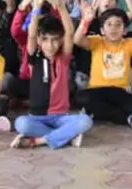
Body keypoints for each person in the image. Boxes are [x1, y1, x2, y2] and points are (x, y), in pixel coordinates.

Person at [12, 10, 93, 150]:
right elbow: (31, 34)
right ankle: (66, 137)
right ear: (39, 41)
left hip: (61, 117)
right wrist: (36, 8)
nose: (50, 45)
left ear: (61, 40)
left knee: (85, 121)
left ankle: (37, 141)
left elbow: (69, 32)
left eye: (55, 39)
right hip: (37, 117)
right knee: (21, 124)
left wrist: (61, 5)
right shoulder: (34, 58)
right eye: (45, 39)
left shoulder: (63, 59)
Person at [75, 5, 132, 131]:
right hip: (98, 91)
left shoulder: (129, 44)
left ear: (125, 30)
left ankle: (97, 113)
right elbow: (77, 40)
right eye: (109, 24)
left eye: (118, 24)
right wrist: (85, 21)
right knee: (81, 98)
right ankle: (127, 118)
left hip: (120, 92)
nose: (114, 28)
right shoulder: (97, 41)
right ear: (102, 30)